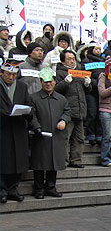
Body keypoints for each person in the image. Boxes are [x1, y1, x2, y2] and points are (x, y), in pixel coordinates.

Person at [29, 68, 71, 199]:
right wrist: (37, 128)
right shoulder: (34, 98)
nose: (48, 84)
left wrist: (64, 120)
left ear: (54, 82)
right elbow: (32, 115)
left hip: (57, 136)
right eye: (45, 82)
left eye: (50, 81)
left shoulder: (61, 99)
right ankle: (39, 188)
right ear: (41, 82)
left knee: (54, 163)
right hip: (41, 136)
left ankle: (51, 187)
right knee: (39, 164)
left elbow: (68, 112)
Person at [0, 61, 30, 202]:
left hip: (18, 127)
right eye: (8, 74)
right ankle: (2, 189)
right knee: (3, 159)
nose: (11, 78)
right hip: (3, 127)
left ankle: (13, 188)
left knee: (17, 159)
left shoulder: (22, 87)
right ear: (1, 73)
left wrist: (27, 112)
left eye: (13, 75)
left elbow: (28, 103)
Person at [55, 50, 91, 168]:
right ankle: (63, 160)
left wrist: (87, 84)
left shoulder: (79, 71)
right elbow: (55, 89)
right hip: (67, 111)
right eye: (69, 58)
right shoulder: (59, 72)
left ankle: (76, 160)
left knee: (79, 138)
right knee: (66, 137)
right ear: (63, 60)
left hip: (80, 109)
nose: (72, 61)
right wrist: (65, 82)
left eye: (73, 58)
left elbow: (87, 91)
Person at [82, 45, 105, 145]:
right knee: (92, 113)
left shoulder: (103, 61)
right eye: (96, 49)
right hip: (91, 91)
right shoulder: (86, 61)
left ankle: (99, 135)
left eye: (100, 49)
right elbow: (84, 75)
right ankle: (90, 134)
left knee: (100, 114)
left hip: (102, 92)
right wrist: (95, 83)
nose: (98, 51)